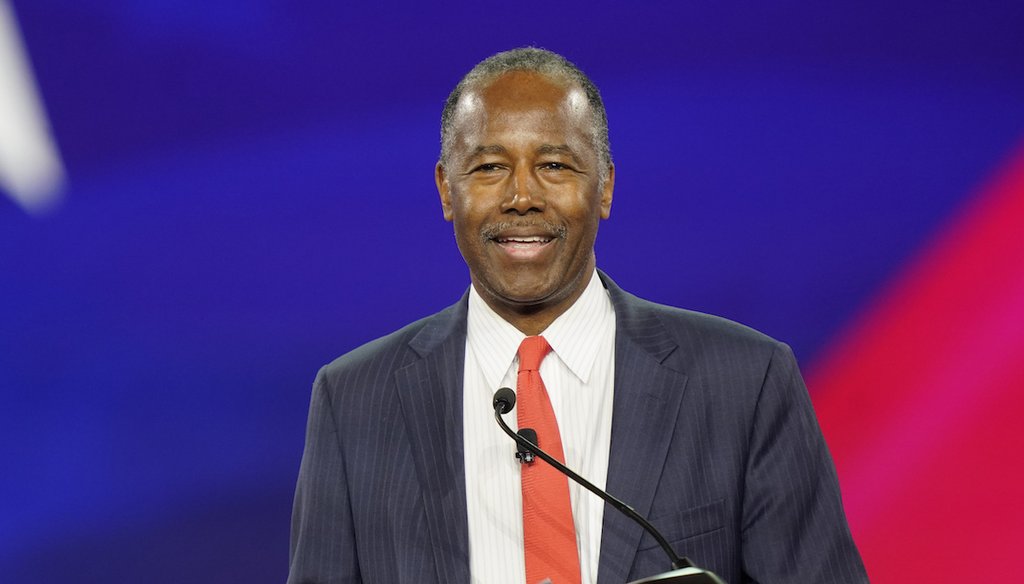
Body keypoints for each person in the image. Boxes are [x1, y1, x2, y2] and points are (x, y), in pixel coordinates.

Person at [287, 47, 867, 584]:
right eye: (489, 167)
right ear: (445, 189)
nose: (522, 196)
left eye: (556, 166)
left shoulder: (746, 383)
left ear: (606, 186)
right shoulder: (354, 401)